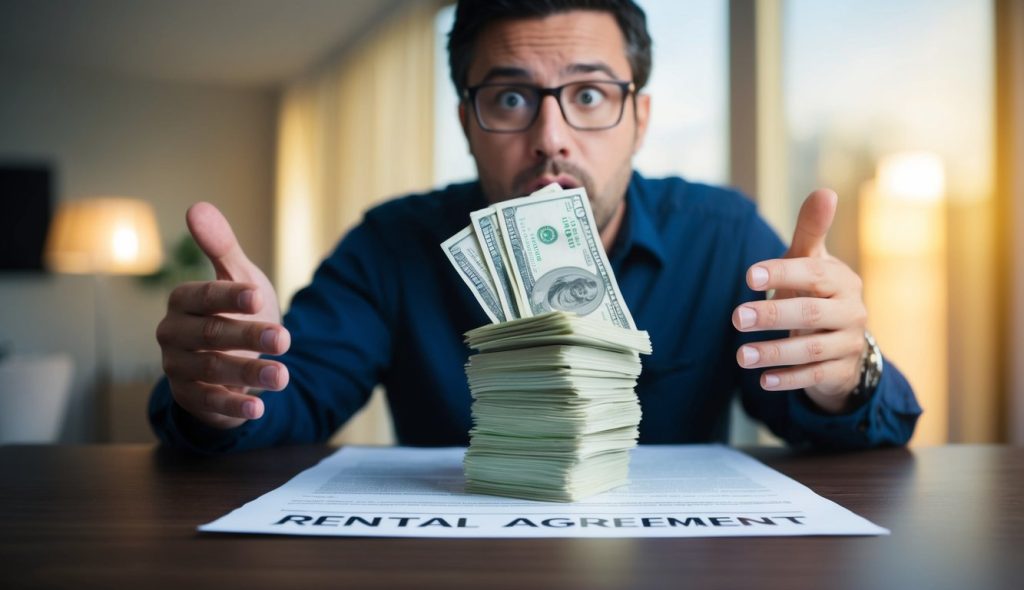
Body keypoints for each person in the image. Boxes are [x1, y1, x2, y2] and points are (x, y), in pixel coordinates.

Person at [150, 0, 921, 453]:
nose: (552, 136)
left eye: (588, 95)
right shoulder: (390, 247)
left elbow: (855, 424)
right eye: (512, 99)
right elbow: (285, 400)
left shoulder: (720, 235)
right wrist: (217, 391)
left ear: (639, 119)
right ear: (467, 120)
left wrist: (849, 373)